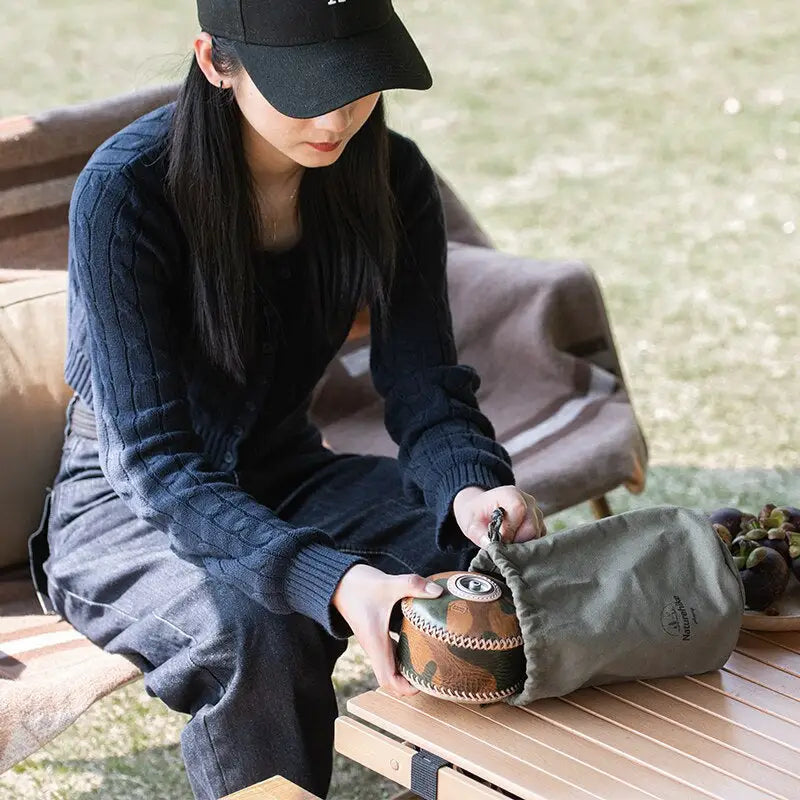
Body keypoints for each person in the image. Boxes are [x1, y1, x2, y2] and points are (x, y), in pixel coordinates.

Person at [34, 0, 547, 797]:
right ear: (214, 61)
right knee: (261, 632)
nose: (339, 116)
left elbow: (425, 388)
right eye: (307, 85)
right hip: (124, 511)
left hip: (288, 472)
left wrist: (471, 486)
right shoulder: (124, 194)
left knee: (482, 570)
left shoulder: (393, 176)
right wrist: (336, 579)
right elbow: (154, 464)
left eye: (361, 82)